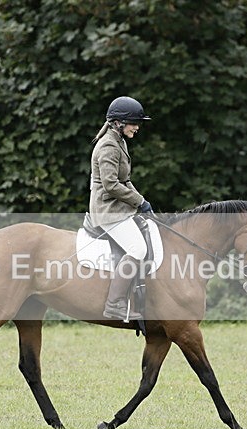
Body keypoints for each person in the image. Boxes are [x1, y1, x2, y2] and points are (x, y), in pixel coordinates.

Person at [88, 96, 154, 321]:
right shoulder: (108, 145)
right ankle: (114, 304)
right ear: (118, 123)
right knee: (137, 249)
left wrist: (141, 200)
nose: (137, 127)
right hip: (108, 210)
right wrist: (139, 202)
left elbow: (125, 180)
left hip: (119, 207)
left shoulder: (120, 142)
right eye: (134, 123)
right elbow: (111, 184)